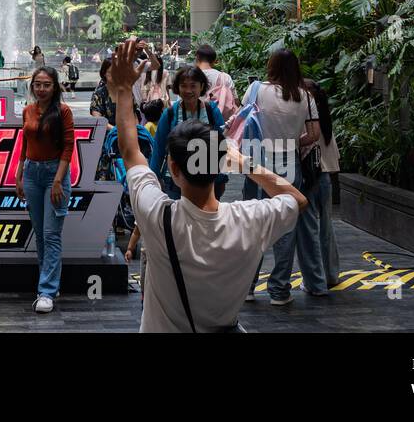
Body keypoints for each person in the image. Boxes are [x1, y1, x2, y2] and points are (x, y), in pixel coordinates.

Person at [108, 38, 306, 332]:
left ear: (174, 169)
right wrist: (244, 163)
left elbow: (130, 152)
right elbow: (297, 199)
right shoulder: (249, 219)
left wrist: (123, 90)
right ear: (219, 163)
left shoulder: (157, 215)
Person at [245, 48, 324, 305]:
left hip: (259, 162)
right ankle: (279, 291)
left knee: (255, 223)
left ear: (272, 66)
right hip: (290, 162)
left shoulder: (256, 90)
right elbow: (313, 134)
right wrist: (291, 140)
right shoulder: (305, 96)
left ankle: (247, 286)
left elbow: (242, 120)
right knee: (286, 227)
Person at [15, 65, 74, 313]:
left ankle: (47, 291)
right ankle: (48, 285)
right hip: (31, 174)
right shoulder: (28, 110)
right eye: (37, 84)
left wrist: (59, 180)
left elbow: (68, 148)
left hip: (54, 175)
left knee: (51, 234)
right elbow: (24, 144)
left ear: (55, 86)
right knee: (40, 234)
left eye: (46, 85)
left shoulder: (63, 111)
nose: (41, 89)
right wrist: (19, 176)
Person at [148, 65, 227, 200]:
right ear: (177, 88)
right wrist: (153, 179)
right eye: (184, 86)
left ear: (201, 87)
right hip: (175, 180)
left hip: (207, 180)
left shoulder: (211, 111)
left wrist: (220, 177)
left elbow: (221, 146)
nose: (188, 90)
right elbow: (159, 148)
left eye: (193, 86)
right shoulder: (170, 114)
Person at [302, 78, 340, 287]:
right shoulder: (325, 118)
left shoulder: (307, 118)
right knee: (326, 227)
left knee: (310, 229)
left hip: (309, 177)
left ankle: (315, 279)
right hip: (325, 176)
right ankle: (331, 275)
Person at [194, 43, 238, 118]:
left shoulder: (190, 76)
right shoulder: (225, 77)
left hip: (196, 121)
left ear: (197, 58)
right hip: (220, 122)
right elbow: (235, 101)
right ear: (214, 61)